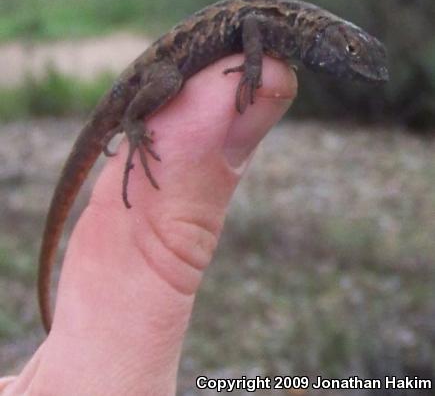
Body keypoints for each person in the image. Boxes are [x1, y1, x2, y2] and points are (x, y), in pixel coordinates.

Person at [0, 56, 297, 395]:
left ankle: (131, 119)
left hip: (158, 71)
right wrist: (133, 123)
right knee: (170, 83)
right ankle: (132, 120)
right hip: (157, 72)